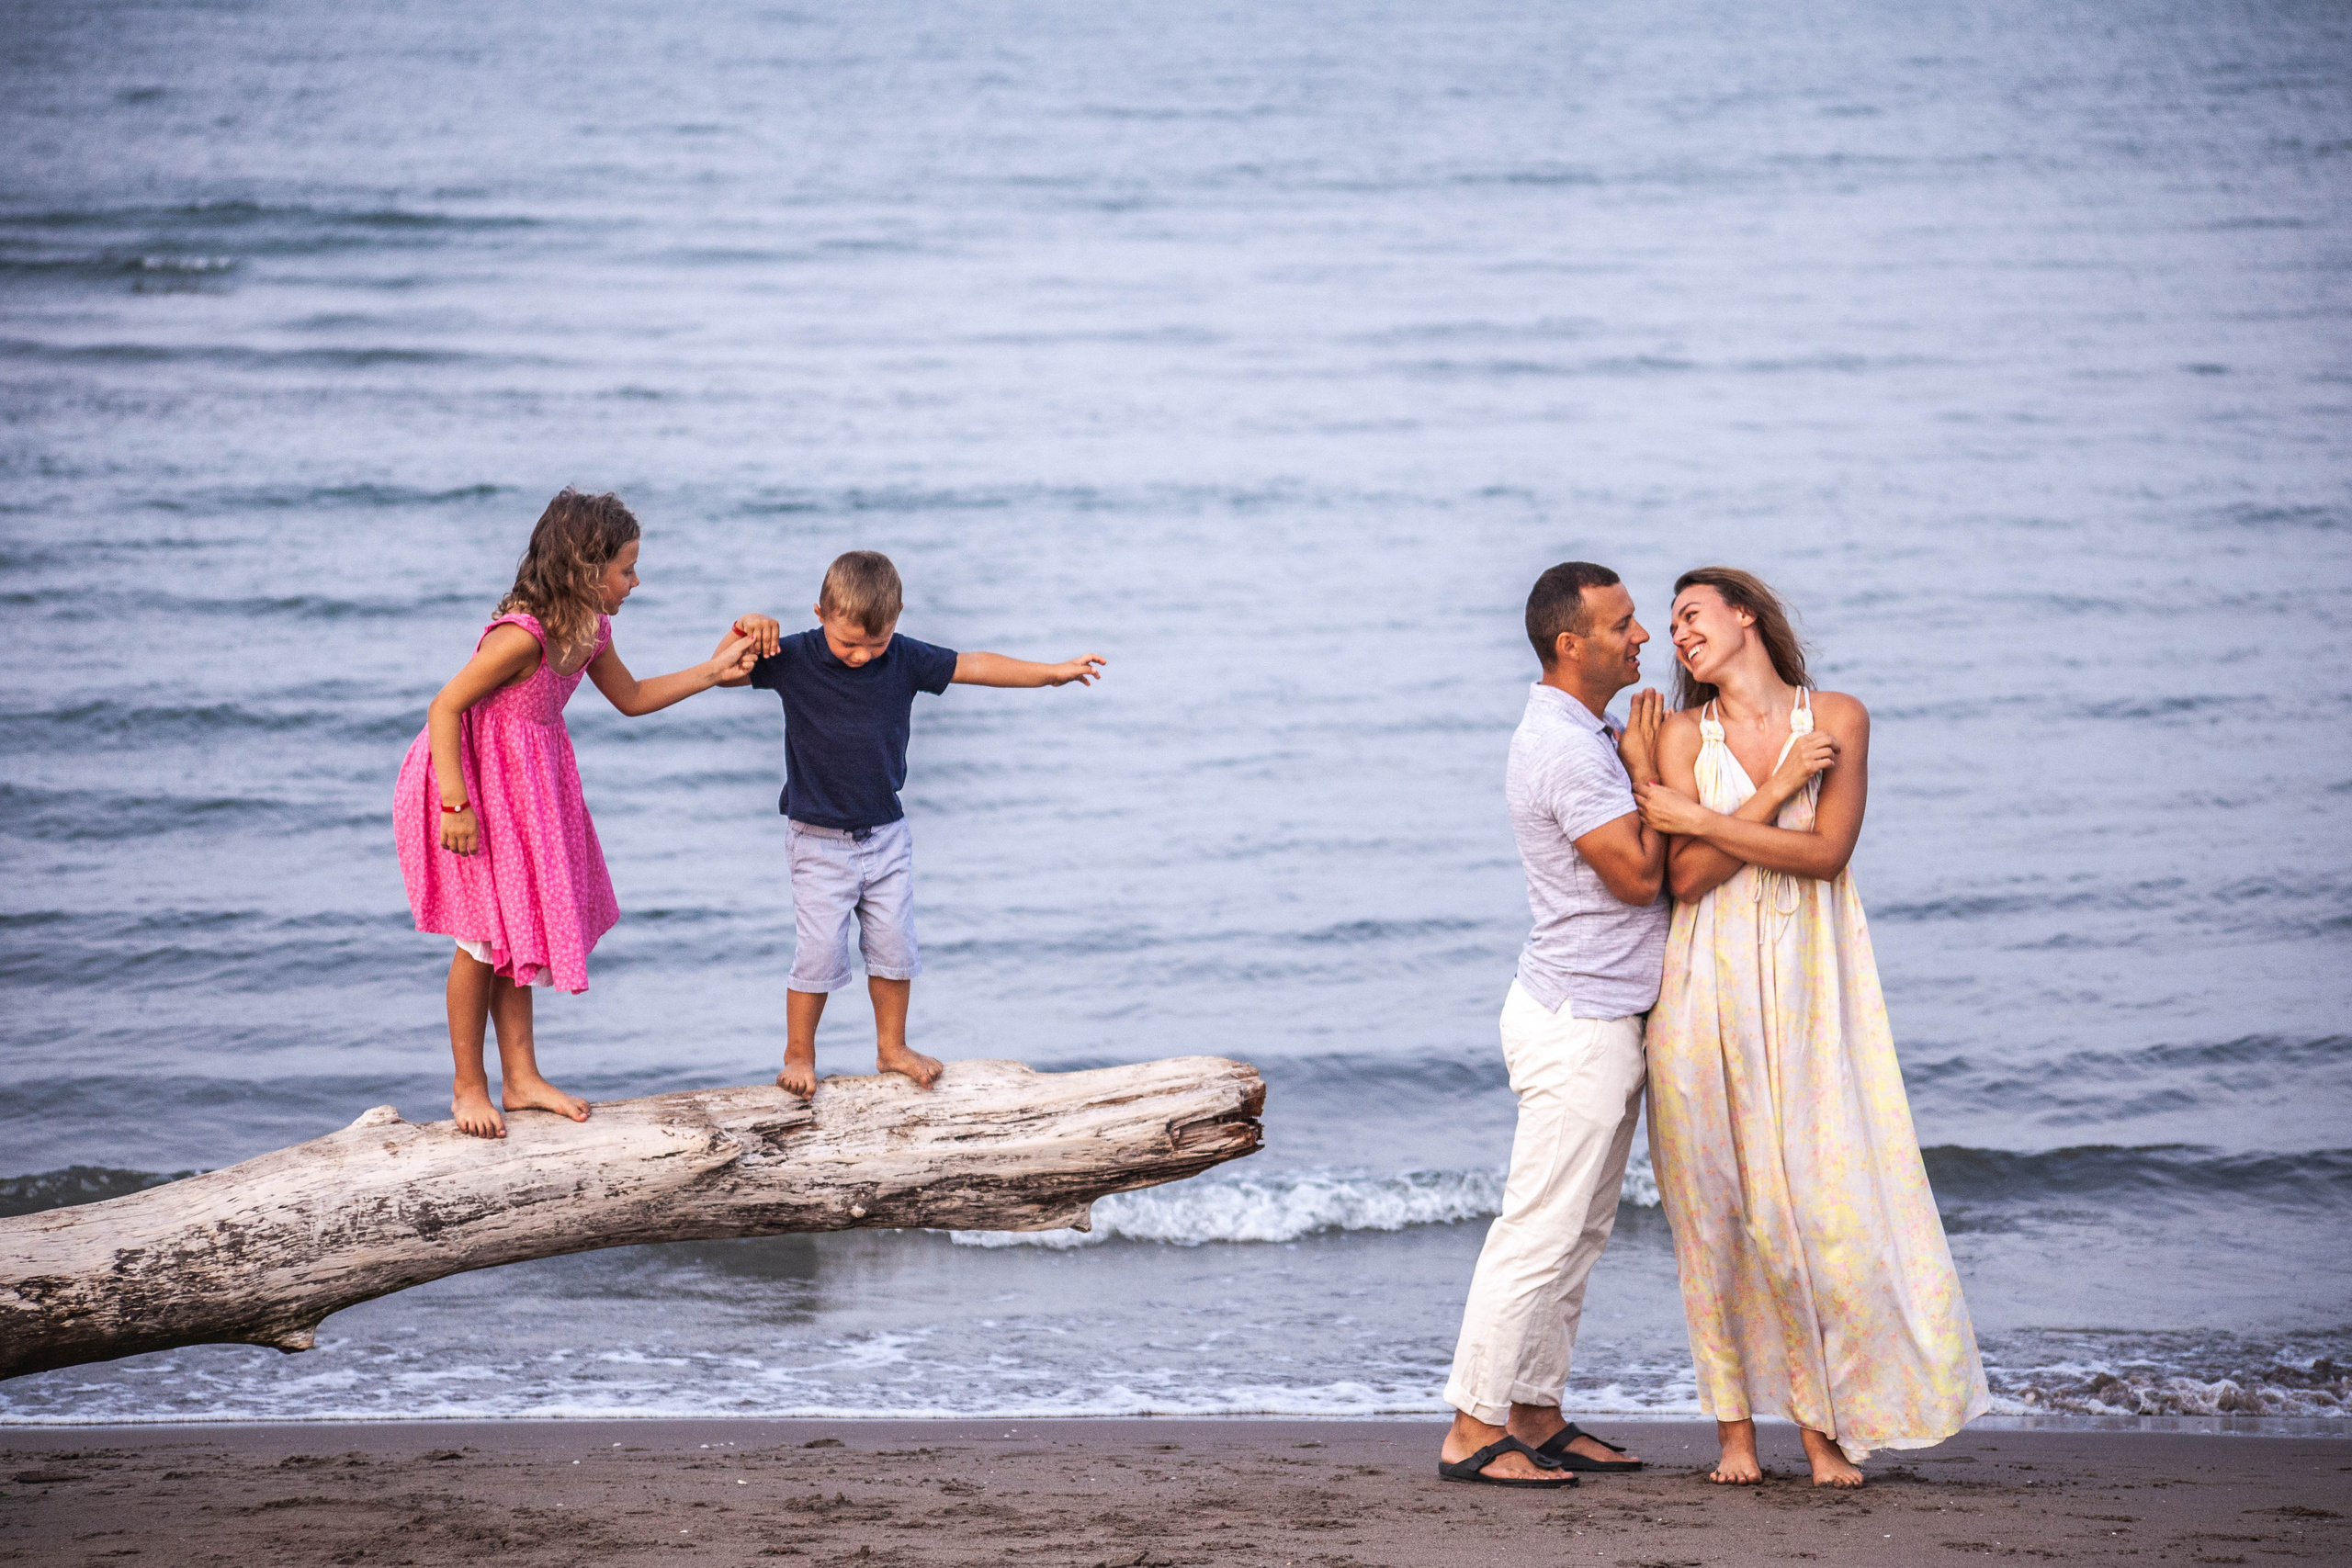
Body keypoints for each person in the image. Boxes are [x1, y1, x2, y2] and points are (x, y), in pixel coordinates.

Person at [1635, 566, 1989, 1488]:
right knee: (1715, 1214)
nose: (1677, 634)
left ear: (1745, 613)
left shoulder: (1838, 718)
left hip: (1805, 992)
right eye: (1670, 624)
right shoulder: (1680, 734)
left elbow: (1827, 856)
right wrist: (1767, 795)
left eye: (1690, 614)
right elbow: (1685, 882)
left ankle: (1825, 1424)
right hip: (1700, 993)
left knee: (1815, 1212)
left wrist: (1702, 819)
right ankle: (1734, 1435)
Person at [395, 489, 761, 1139]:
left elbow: (634, 696)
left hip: (529, 789)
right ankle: (467, 1085)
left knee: (518, 929)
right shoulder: (520, 638)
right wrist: (456, 804)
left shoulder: (591, 631)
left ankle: (522, 1077)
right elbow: (445, 707)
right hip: (471, 784)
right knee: (481, 939)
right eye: (626, 568)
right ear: (584, 571)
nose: (635, 580)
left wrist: (713, 670)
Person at [1437, 561, 1664, 1488]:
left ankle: (1534, 1408)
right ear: (1570, 645)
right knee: (1537, 1231)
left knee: (1580, 1232)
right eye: (1622, 625)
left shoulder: (1588, 727)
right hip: (1576, 1021)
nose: (1640, 636)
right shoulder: (1568, 749)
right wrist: (1649, 770)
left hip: (1598, 1014)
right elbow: (1639, 878)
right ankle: (1470, 1427)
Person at [725, 551, 1103, 1097]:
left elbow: (973, 665)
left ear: (897, 618)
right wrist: (742, 628)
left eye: (875, 644)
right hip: (818, 840)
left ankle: (891, 1048)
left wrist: (1050, 674)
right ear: (820, 613)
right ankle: (799, 1054)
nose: (861, 656)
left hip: (885, 836)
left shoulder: (902, 659)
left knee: (894, 945)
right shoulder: (797, 655)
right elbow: (721, 675)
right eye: (848, 643)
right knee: (820, 952)